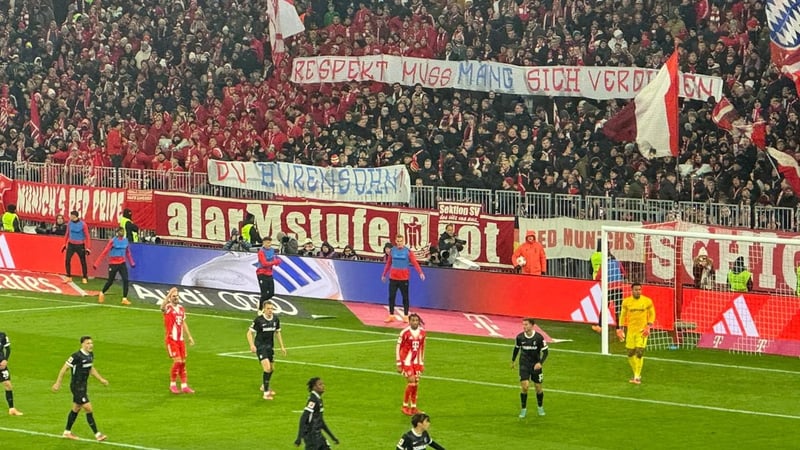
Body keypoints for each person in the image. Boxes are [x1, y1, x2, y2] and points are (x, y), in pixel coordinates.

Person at [52, 336, 109, 441]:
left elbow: (91, 368)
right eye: (88, 343)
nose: (90, 345)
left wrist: (101, 379)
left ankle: (67, 432)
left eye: (91, 343)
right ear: (82, 344)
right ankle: (97, 434)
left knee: (76, 408)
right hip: (76, 386)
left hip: (83, 386)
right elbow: (64, 369)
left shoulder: (91, 355)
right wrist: (58, 383)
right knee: (88, 408)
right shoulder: (76, 356)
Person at [246, 300, 287, 400]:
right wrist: (252, 345)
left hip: (270, 347)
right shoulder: (259, 320)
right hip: (260, 346)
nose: (270, 310)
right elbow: (249, 333)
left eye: (271, 308)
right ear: (264, 309)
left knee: (272, 369)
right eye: (268, 308)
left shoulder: (275, 320)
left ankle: (264, 386)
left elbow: (277, 332)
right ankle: (266, 393)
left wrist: (282, 346)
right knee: (267, 368)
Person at [618, 283, 656, 384]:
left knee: (639, 352)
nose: (638, 291)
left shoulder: (647, 301)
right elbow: (622, 316)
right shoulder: (626, 302)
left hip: (642, 331)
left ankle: (637, 377)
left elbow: (652, 314)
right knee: (630, 353)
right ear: (632, 290)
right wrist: (620, 329)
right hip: (631, 331)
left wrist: (648, 326)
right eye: (636, 290)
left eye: (639, 289)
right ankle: (636, 373)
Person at [382, 234, 425, 323]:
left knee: (405, 297)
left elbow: (414, 263)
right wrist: (384, 274)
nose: (399, 243)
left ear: (403, 241)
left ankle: (406, 315)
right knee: (391, 297)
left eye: (401, 241)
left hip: (404, 279)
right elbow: (388, 263)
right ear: (395, 241)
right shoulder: (392, 251)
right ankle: (391, 315)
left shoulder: (408, 252)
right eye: (397, 241)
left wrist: (420, 272)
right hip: (393, 278)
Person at [159, 287, 195, 394]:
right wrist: (169, 293)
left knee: (183, 363)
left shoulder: (181, 309)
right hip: (171, 340)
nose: (176, 298)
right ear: (170, 298)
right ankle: (173, 384)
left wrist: (189, 336)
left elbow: (183, 323)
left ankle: (184, 386)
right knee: (178, 361)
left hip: (180, 340)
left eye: (177, 296)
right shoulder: (168, 308)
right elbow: (162, 307)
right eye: (173, 296)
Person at [510, 318, 548, 418]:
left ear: (532, 325)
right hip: (524, 365)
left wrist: (540, 363)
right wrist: (513, 361)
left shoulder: (539, 338)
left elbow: (546, 352)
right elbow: (516, 348)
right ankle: (523, 409)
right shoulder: (520, 337)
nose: (524, 326)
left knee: (538, 388)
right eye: (523, 325)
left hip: (536, 366)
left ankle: (540, 407)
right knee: (525, 386)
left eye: (526, 324)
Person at [93, 227, 135, 305]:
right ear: (117, 232)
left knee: (126, 280)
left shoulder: (126, 241)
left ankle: (124, 298)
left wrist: (132, 263)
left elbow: (128, 253)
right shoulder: (113, 241)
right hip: (113, 263)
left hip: (122, 263)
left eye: (123, 231)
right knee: (110, 281)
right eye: (120, 231)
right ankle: (102, 292)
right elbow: (105, 252)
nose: (121, 233)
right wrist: (97, 263)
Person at [294, 377, 339, 449]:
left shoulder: (318, 399)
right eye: (320, 384)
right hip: (311, 437)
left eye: (323, 384)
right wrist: (299, 437)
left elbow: (321, 421)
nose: (323, 386)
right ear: (314, 387)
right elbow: (303, 418)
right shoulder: (313, 400)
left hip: (318, 435)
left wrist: (332, 437)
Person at [396, 313, 426, 415]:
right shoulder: (404, 332)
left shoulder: (422, 332)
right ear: (409, 322)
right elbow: (398, 347)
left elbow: (422, 348)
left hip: (416, 362)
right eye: (412, 320)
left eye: (416, 320)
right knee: (411, 382)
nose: (415, 322)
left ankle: (413, 407)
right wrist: (399, 363)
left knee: (416, 384)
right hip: (406, 361)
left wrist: (421, 363)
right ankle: (404, 406)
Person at [592, 254, 625, 339]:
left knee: (604, 307)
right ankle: (619, 328)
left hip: (608, 288)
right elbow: (624, 273)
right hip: (618, 288)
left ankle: (600, 326)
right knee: (618, 309)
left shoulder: (604, 264)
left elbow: (597, 277)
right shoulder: (618, 263)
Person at [63, 210, 92, 284]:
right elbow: (67, 233)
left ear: (75, 216)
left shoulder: (83, 224)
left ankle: (85, 277)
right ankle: (68, 276)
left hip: (80, 245)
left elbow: (87, 236)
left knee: (83, 261)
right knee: (67, 260)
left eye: (71, 216)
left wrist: (88, 247)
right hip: (71, 244)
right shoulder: (69, 223)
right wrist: (64, 243)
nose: (70, 217)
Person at [0, 331, 23, 416]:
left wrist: (5, 360)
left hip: (1, 366)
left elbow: (8, 349)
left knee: (8, 384)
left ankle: (12, 409)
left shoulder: (2, 335)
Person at [256, 236, 281, 308]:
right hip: (261, 273)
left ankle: (261, 302)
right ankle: (260, 309)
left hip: (269, 273)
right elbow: (264, 263)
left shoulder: (272, 250)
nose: (269, 244)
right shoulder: (261, 252)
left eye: (270, 242)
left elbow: (274, 259)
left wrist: (277, 262)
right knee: (264, 293)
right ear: (264, 243)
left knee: (271, 293)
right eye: (268, 243)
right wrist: (274, 262)